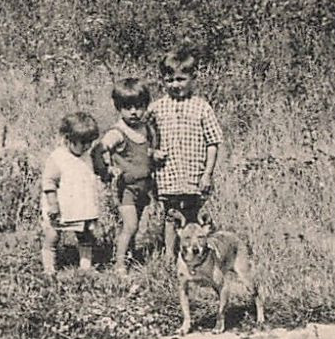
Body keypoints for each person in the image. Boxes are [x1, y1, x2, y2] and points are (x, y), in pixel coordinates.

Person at [149, 46, 225, 260]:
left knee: (193, 217)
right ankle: (168, 257)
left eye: (181, 79)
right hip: (168, 175)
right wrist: (152, 152)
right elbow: (142, 136)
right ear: (163, 80)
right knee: (171, 216)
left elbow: (213, 141)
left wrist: (207, 174)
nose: (175, 85)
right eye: (170, 80)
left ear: (193, 78)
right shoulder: (156, 108)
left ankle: (195, 256)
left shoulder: (201, 107)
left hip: (193, 175)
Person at [98, 79, 164, 274]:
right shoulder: (118, 132)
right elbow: (99, 150)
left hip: (143, 185)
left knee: (137, 224)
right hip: (126, 187)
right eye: (128, 107)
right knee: (130, 225)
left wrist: (154, 154)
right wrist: (107, 169)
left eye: (139, 106)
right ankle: (119, 265)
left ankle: (130, 254)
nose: (134, 112)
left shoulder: (144, 129)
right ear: (119, 108)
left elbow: (144, 153)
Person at [39, 111, 103, 276]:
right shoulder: (58, 158)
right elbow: (49, 182)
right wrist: (53, 204)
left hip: (81, 205)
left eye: (90, 142)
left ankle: (85, 267)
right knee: (52, 236)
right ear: (67, 139)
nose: (87, 146)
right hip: (61, 206)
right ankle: (49, 269)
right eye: (82, 142)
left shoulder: (86, 156)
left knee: (85, 235)